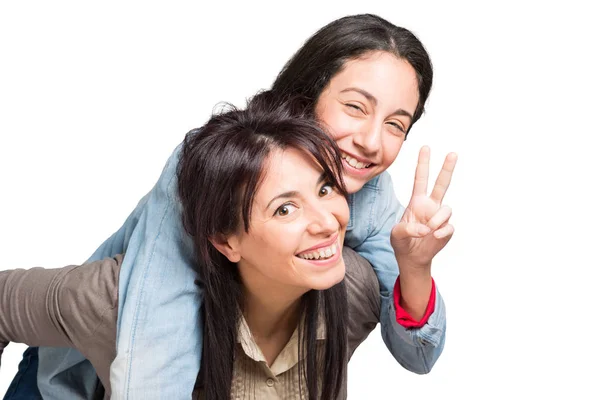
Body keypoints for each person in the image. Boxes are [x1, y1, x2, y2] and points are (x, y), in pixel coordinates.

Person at [5, 13, 456, 399]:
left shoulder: (370, 196)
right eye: (356, 107)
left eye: (397, 124)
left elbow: (418, 354)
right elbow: (154, 350)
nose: (372, 142)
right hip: (78, 376)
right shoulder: (213, 171)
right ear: (306, 94)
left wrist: (416, 268)